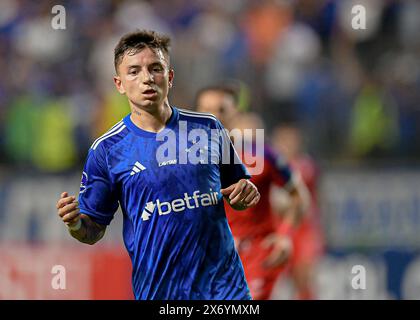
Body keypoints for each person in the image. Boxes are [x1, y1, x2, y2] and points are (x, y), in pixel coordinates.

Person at [56, 30, 260, 300]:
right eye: (134, 71)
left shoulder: (208, 128)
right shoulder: (107, 150)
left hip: (225, 292)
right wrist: (74, 224)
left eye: (155, 68)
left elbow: (240, 192)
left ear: (170, 77)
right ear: (119, 84)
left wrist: (246, 193)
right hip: (161, 293)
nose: (147, 78)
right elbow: (92, 230)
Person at [195, 86, 310, 300]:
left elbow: (299, 196)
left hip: (255, 255)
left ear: (236, 114)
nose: (214, 117)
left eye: (222, 109)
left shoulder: (262, 155)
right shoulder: (182, 162)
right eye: (206, 110)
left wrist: (285, 236)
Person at [271, 124, 324, 300]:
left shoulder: (306, 166)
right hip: (279, 229)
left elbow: (312, 201)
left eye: (291, 140)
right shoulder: (267, 167)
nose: (287, 145)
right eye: (283, 140)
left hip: (303, 231)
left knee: (303, 278)